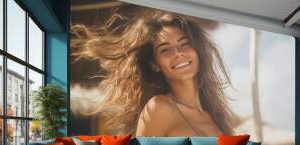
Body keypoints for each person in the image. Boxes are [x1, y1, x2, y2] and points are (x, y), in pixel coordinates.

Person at [71, 9, 236, 136]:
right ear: (155, 64)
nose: (178, 53)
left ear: (198, 50)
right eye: (165, 50)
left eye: (184, 44)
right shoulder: (159, 108)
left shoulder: (213, 112)